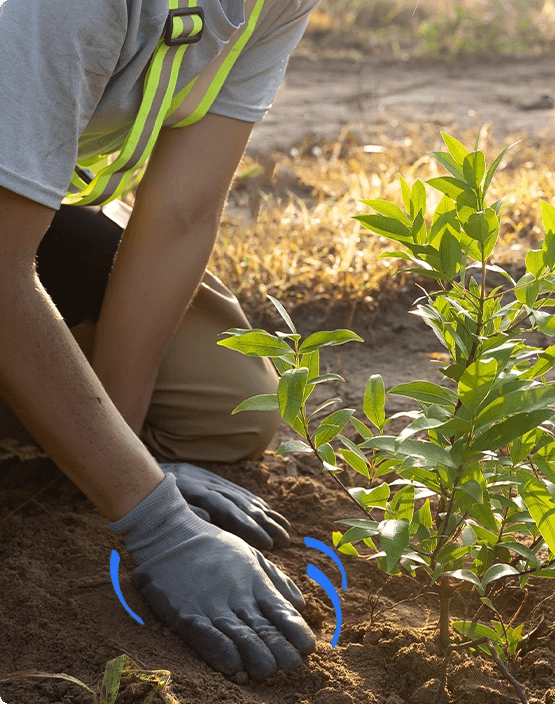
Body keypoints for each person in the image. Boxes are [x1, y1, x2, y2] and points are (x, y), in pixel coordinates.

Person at [0, 0, 322, 681]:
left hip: (28, 211)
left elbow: (181, 212)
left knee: (227, 403)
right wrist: (158, 526)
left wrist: (122, 448)